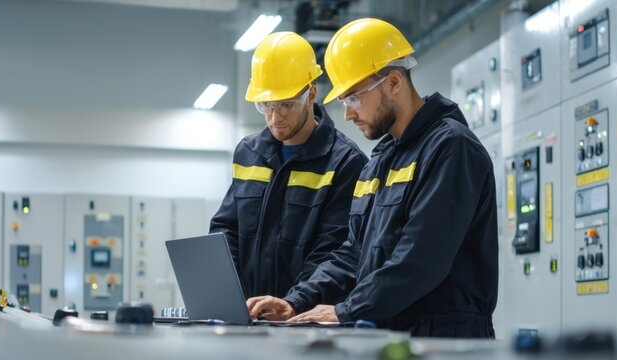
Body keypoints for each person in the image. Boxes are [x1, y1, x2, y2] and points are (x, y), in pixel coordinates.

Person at [247, 18, 498, 338]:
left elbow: (422, 258)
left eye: (352, 98)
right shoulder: (380, 160)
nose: (348, 114)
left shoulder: (450, 148)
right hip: (391, 333)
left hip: (445, 339)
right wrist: (297, 301)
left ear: (393, 82)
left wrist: (346, 310)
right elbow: (353, 252)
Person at [210, 32, 367, 299]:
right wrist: (230, 296)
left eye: (286, 104)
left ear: (311, 93)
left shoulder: (346, 163)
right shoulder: (248, 153)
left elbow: (333, 251)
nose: (275, 117)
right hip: (250, 314)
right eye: (266, 105)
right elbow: (227, 231)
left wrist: (292, 303)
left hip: (308, 318)